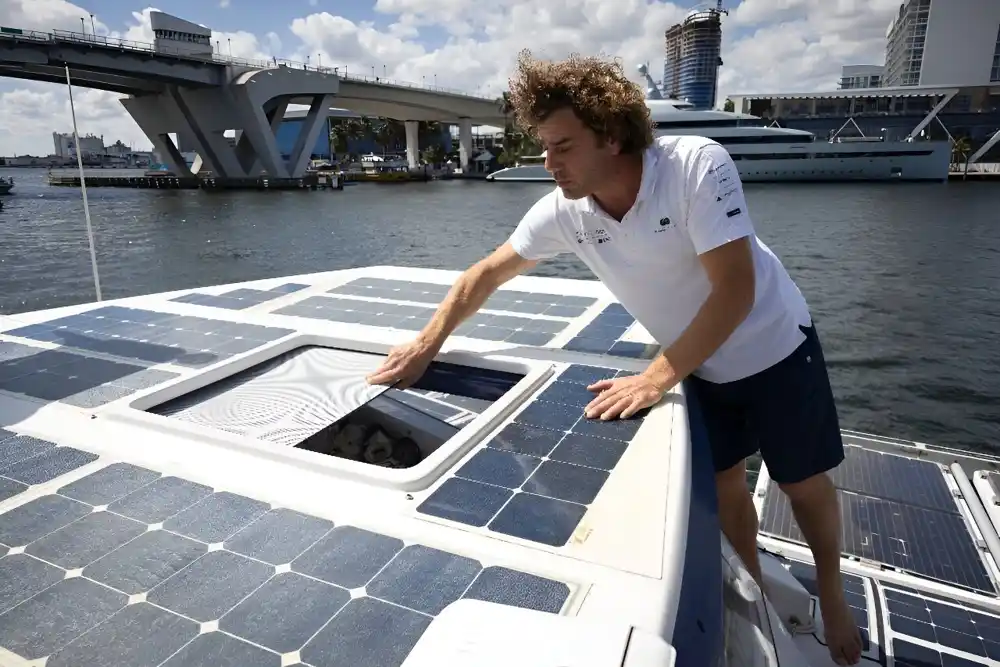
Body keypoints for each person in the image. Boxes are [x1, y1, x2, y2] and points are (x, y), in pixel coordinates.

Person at [367, 50, 862, 666]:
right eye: (544, 147)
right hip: (699, 363)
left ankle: (835, 598)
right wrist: (425, 344)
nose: (548, 164)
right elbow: (485, 274)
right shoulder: (566, 212)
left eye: (562, 147)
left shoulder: (695, 167)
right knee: (726, 484)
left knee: (802, 482)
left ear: (611, 134)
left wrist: (656, 377)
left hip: (775, 347)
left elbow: (736, 290)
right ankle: (757, 590)